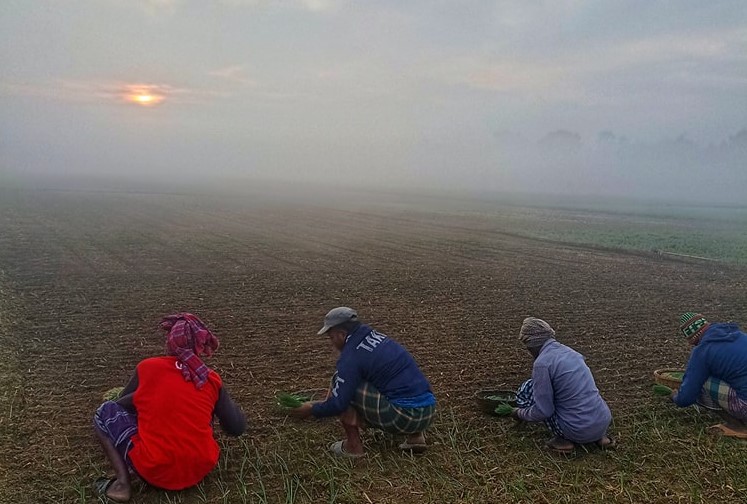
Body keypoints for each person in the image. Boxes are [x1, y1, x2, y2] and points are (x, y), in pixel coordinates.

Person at [92, 313, 246, 502]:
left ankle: (122, 485)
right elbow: (236, 428)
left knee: (104, 411)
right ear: (199, 346)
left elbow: (121, 404)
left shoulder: (148, 367)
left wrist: (146, 395)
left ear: (170, 342)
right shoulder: (210, 378)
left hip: (154, 471)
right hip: (200, 468)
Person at [289, 307, 436, 457]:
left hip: (404, 417)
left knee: (343, 384)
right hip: (428, 412)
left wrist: (311, 410)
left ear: (341, 334)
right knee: (398, 379)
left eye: (331, 337)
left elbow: (340, 403)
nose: (331, 343)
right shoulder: (377, 337)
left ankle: (353, 447)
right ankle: (416, 437)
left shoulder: (351, 357)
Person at [505, 317, 614, 454]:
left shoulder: (542, 364)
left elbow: (544, 411)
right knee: (577, 396)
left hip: (577, 430)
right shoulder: (571, 353)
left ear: (530, 344)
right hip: (603, 421)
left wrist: (519, 413)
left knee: (528, 388)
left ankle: (564, 442)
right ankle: (601, 438)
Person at [670, 312, 747, 438]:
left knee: (703, 382)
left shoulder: (702, 351)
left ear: (692, 337)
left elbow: (686, 398)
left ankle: (739, 426)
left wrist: (675, 396)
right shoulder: (738, 335)